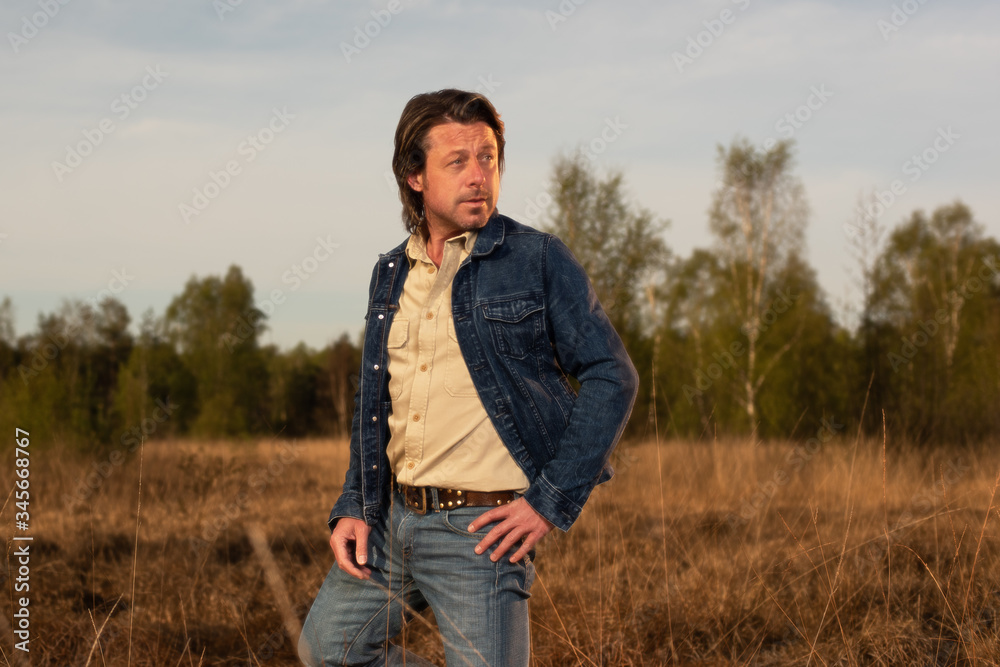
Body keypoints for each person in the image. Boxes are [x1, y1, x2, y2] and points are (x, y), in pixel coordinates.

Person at [298, 88, 638, 666]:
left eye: (488, 157)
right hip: (389, 521)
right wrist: (355, 503)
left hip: (480, 532)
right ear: (415, 176)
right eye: (458, 161)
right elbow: (373, 402)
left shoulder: (536, 258)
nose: (479, 175)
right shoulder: (389, 272)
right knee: (325, 653)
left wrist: (550, 502)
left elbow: (612, 375)